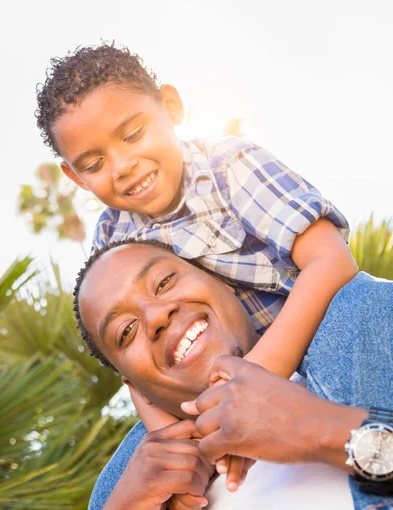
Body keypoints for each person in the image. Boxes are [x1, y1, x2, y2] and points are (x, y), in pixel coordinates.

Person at [36, 44, 358, 485]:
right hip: (216, 389)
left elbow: (331, 261)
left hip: (319, 337)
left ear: (170, 107)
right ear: (75, 177)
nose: (124, 166)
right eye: (94, 163)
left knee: (365, 306)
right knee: (119, 481)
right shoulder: (112, 241)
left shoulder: (228, 165)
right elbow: (134, 372)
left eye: (132, 135)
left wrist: (248, 388)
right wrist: (184, 448)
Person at [74, 240, 393, 510]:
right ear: (137, 390)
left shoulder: (370, 327)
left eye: (163, 282)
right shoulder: (140, 509)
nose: (156, 316)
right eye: (125, 332)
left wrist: (319, 429)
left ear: (224, 281)